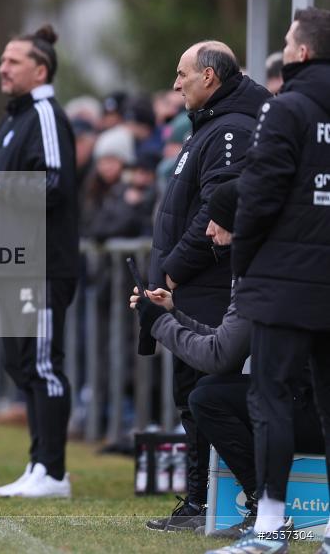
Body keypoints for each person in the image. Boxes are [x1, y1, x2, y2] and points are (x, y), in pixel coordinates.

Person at [131, 180, 324, 541]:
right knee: (215, 391)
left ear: (241, 220)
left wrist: (160, 325)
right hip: (305, 397)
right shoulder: (270, 258)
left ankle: (264, 507)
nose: (207, 229)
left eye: (215, 219)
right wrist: (172, 313)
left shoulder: (263, 270)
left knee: (209, 396)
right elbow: (224, 342)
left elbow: (219, 356)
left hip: (313, 408)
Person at [147, 41, 271, 532]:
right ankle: (198, 497)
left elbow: (216, 213)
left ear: (210, 78)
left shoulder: (231, 130)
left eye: (182, 75)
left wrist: (172, 271)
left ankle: (211, 501)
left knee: (203, 392)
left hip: (207, 288)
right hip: (193, 288)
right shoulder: (210, 124)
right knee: (190, 394)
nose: (175, 85)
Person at [219, 7, 330, 554]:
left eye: (288, 41)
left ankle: (268, 527)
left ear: (302, 52)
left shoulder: (285, 108)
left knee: (270, 399)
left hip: (285, 281)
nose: (285, 48)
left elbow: (259, 194)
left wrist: (244, 258)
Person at [0, 24, 79, 498]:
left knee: (43, 364)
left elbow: (54, 186)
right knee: (21, 364)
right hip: (12, 263)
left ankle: (53, 472)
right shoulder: (14, 119)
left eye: (12, 61)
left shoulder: (46, 114)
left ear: (40, 68)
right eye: (2, 60)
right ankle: (37, 465)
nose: (1, 68)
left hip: (41, 265)